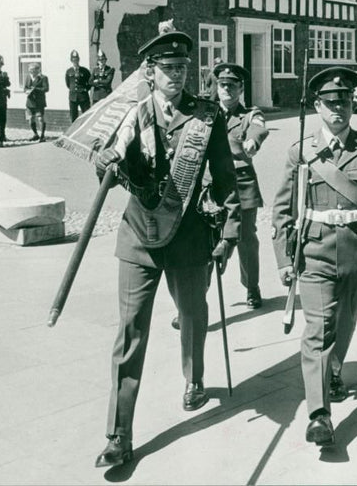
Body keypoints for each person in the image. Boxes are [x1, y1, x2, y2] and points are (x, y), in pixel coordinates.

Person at [92, 29, 240, 468]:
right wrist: (104, 162)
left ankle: (194, 380)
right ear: (151, 73)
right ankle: (119, 433)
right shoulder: (131, 115)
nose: (176, 76)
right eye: (167, 69)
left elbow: (226, 178)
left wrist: (228, 233)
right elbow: (109, 163)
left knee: (193, 314)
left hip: (189, 234)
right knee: (130, 331)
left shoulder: (207, 116)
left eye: (182, 68)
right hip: (139, 235)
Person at [271, 66, 357, 446]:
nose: (339, 110)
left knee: (344, 323)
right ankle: (319, 415)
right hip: (313, 249)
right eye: (331, 103)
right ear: (317, 106)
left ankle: (335, 370)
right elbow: (282, 210)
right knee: (318, 329)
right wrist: (284, 260)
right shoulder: (301, 152)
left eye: (345, 102)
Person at [213, 62, 269, 307]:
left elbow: (259, 128)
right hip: (212, 187)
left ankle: (252, 288)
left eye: (232, 85)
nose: (226, 89)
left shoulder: (248, 115)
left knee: (246, 239)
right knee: (207, 242)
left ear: (240, 89)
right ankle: (192, 298)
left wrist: (252, 142)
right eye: (222, 85)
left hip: (241, 185)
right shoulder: (207, 113)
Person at [23, 62, 49, 142]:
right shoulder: (28, 77)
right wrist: (27, 91)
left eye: (33, 70)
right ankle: (35, 134)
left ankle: (42, 136)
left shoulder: (43, 78)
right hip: (30, 101)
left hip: (39, 102)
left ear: (38, 70)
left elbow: (46, 89)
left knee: (40, 118)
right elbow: (25, 88)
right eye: (30, 70)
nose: (31, 72)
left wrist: (36, 89)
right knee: (31, 119)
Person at [65, 49, 91, 121]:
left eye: (76, 59)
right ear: (71, 60)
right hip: (73, 97)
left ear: (78, 60)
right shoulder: (69, 71)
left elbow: (90, 82)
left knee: (86, 115)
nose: (75, 61)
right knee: (73, 116)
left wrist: (85, 89)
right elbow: (68, 84)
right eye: (73, 59)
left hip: (83, 96)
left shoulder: (85, 71)